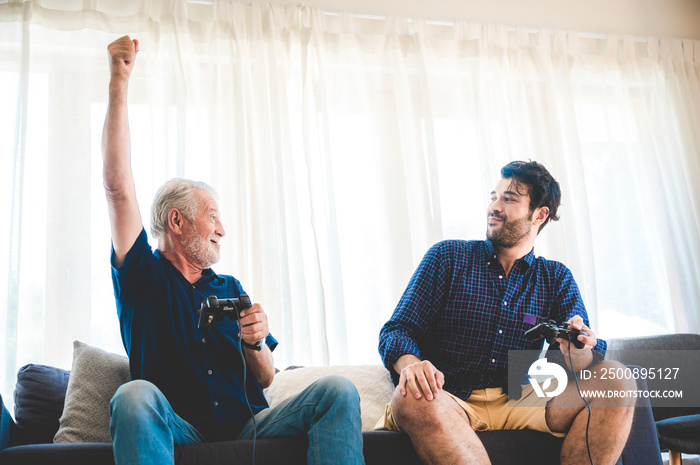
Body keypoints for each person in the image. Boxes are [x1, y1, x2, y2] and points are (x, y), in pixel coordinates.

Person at [102, 35, 365, 465]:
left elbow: (264, 378)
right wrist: (119, 82)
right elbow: (117, 190)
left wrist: (255, 342)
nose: (223, 229)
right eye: (213, 216)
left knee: (338, 391)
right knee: (132, 395)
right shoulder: (143, 277)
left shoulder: (230, 286)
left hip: (248, 426)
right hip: (176, 426)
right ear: (176, 221)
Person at [377, 161, 635, 465]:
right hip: (449, 398)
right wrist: (412, 364)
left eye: (509, 199)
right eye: (493, 196)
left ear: (540, 214)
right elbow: (398, 330)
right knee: (410, 397)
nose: (494, 207)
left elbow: (580, 357)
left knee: (617, 378)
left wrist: (577, 351)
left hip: (522, 397)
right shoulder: (447, 257)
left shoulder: (555, 277)